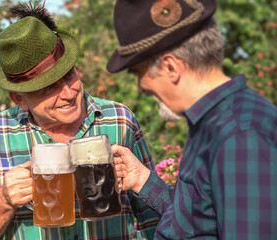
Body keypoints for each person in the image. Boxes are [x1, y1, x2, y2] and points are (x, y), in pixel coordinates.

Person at [0, 3, 160, 240]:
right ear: (19, 98)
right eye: (49, 88)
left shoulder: (119, 119)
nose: (69, 93)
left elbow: (152, 219)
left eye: (69, 75)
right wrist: (4, 200)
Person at [106, 0, 277, 239]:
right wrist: (142, 180)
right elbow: (198, 222)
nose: (141, 88)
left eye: (139, 74)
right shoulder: (215, 123)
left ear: (170, 67)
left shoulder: (239, 135)